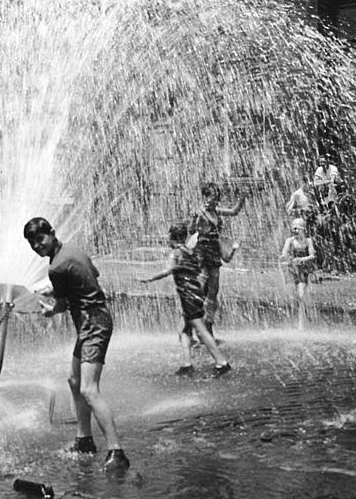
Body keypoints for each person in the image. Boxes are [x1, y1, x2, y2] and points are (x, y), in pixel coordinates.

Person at [24, 217, 130, 471]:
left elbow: (61, 306)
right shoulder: (73, 250)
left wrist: (49, 309)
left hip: (93, 323)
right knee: (74, 380)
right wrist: (61, 290)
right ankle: (84, 440)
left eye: (40, 239)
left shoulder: (56, 267)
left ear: (51, 233)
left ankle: (117, 451)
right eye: (32, 243)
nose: (37, 246)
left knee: (89, 390)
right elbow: (92, 275)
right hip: (93, 320)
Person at [138, 222, 232, 375]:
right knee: (183, 329)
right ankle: (187, 364)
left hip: (189, 296)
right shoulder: (191, 251)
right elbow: (197, 269)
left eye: (169, 237)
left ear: (172, 237)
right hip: (195, 293)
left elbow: (166, 271)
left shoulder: (175, 253)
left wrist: (148, 279)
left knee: (201, 331)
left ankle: (221, 362)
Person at [189, 182, 245, 339]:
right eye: (209, 196)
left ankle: (208, 326)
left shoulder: (217, 211)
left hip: (214, 249)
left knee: (213, 292)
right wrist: (196, 222)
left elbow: (234, 211)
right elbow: (191, 230)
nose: (211, 199)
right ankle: (193, 327)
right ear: (205, 196)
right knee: (199, 290)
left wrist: (243, 197)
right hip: (202, 250)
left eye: (214, 196)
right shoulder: (200, 212)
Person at [280, 218, 318, 330]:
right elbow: (284, 253)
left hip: (303, 270)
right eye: (294, 228)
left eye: (298, 228)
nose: (295, 230)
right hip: (292, 269)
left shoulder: (308, 241)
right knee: (294, 297)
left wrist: (302, 259)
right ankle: (296, 320)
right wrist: (284, 258)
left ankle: (301, 325)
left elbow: (313, 255)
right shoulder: (290, 241)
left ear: (303, 229)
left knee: (301, 295)